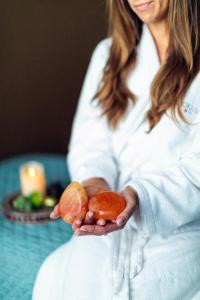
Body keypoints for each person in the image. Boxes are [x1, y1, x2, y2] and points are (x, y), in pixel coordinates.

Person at [33, 0, 200, 299]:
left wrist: (139, 195)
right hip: (108, 221)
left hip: (181, 230)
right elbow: (90, 140)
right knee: (64, 280)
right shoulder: (108, 56)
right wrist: (95, 182)